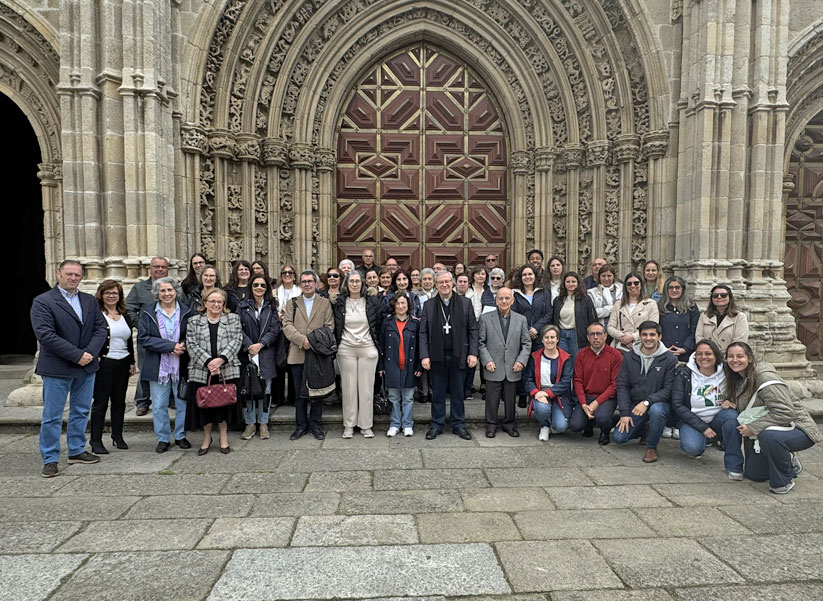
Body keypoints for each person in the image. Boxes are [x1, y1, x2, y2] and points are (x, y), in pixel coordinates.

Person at [31, 259, 107, 477]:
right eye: (69, 274)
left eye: (77, 275)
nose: (73, 278)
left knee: (81, 411)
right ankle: (50, 458)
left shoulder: (89, 300)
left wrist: (89, 353)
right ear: (59, 274)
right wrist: (77, 355)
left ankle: (76, 450)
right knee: (52, 416)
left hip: (86, 366)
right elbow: (45, 335)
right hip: (57, 367)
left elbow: (100, 328)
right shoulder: (43, 301)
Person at [725, 341, 821, 494]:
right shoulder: (738, 378)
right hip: (769, 428)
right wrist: (727, 402)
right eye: (730, 356)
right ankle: (785, 460)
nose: (734, 360)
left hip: (797, 428)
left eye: (739, 356)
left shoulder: (765, 378)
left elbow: (785, 412)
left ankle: (783, 480)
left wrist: (753, 427)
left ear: (750, 358)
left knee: (769, 437)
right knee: (755, 474)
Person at [420, 270, 479, 440]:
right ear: (436, 285)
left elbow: (473, 330)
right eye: (441, 282)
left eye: (447, 281)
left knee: (458, 393)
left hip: (459, 354)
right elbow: (423, 332)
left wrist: (473, 353)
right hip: (437, 356)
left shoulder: (465, 303)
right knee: (438, 394)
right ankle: (436, 425)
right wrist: (424, 355)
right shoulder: (429, 305)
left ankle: (458, 425)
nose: (444, 285)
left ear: (452, 283)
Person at [672, 339, 743, 478]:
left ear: (716, 355)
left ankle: (734, 465)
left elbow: (741, 391)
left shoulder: (728, 371)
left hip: (719, 418)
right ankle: (706, 438)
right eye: (699, 354)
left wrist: (730, 400)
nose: (703, 357)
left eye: (708, 353)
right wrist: (703, 428)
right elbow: (677, 404)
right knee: (692, 448)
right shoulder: (684, 373)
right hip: (693, 420)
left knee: (732, 417)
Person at [185, 288, 243, 455]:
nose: (216, 304)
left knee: (224, 404)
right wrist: (209, 362)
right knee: (205, 405)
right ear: (205, 303)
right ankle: (206, 438)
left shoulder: (233, 319)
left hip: (226, 369)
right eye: (212, 301)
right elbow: (191, 344)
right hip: (202, 370)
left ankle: (223, 437)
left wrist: (221, 359)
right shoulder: (194, 321)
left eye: (220, 302)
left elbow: (237, 340)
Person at [138, 277, 192, 453]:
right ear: (157, 293)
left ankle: (181, 435)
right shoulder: (148, 312)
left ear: (176, 291)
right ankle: (163, 438)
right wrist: (170, 346)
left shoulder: (186, 311)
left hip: (181, 364)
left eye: (170, 290)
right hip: (157, 366)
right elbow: (144, 338)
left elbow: (193, 334)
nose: (167, 294)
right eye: (163, 290)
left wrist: (182, 345)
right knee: (159, 404)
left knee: (182, 402)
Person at [613, 321, 677, 463]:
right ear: (640, 336)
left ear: (659, 337)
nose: (648, 338)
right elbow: (622, 385)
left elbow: (669, 389)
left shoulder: (669, 359)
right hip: (636, 404)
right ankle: (645, 428)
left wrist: (647, 402)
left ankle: (651, 447)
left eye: (652, 335)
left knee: (656, 411)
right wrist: (624, 413)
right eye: (645, 335)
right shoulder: (630, 356)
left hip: (659, 404)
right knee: (619, 438)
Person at [282, 270, 335, 440]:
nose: (307, 284)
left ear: (316, 284)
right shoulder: (292, 303)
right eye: (304, 281)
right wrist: (302, 340)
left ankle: (315, 425)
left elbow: (329, 326)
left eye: (310, 281)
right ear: (300, 284)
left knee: (317, 393)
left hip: (318, 354)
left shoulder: (325, 303)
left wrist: (313, 341)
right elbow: (287, 325)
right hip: (297, 353)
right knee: (299, 394)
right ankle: (300, 426)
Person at [333, 271, 383, 438]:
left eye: (357, 281)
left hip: (367, 348)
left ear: (362, 284)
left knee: (366, 389)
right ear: (346, 284)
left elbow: (379, 324)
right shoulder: (340, 302)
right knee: (349, 389)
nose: (354, 284)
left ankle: (366, 425)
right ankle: (349, 424)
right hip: (346, 348)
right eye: (351, 281)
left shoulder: (372, 301)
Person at [89, 280, 136, 454]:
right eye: (107, 293)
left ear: (120, 295)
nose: (111, 296)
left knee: (119, 402)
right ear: (101, 295)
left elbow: (128, 341)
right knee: (100, 403)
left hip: (122, 362)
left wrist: (132, 361)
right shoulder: (96, 315)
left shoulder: (125, 314)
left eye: (114, 293)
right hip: (104, 363)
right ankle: (95, 440)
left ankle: (117, 436)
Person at [479, 287, 531, 438]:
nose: (504, 301)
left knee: (510, 399)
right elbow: (481, 343)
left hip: (513, 366)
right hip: (493, 365)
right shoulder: (485, 318)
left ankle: (509, 424)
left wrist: (521, 361)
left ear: (512, 300)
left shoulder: (521, 319)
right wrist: (487, 360)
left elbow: (526, 343)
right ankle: (491, 425)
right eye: (500, 298)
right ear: (496, 301)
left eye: (507, 298)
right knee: (492, 398)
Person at [126, 256, 174, 416]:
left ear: (167, 269)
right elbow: (129, 309)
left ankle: (171, 398)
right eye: (156, 266)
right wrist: (142, 326)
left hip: (169, 337)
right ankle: (142, 401)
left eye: (163, 267)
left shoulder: (174, 287)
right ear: (150, 268)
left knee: (171, 367)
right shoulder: (139, 288)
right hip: (147, 338)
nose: (160, 269)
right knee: (146, 368)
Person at [238, 275, 281, 440]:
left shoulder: (272, 306)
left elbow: (275, 329)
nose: (259, 288)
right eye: (256, 285)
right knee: (247, 388)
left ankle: (263, 422)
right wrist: (250, 346)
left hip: (266, 352)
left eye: (262, 285)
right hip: (247, 353)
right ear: (251, 287)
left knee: (266, 389)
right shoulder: (242, 306)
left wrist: (261, 344)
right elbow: (237, 328)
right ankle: (250, 423)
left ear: (267, 288)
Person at [378, 292, 422, 437]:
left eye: (403, 303)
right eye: (398, 303)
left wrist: (419, 366)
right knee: (393, 397)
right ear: (394, 305)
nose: (401, 306)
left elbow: (420, 346)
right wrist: (381, 366)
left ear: (408, 305)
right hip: (392, 365)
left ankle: (408, 424)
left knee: (408, 397)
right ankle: (395, 423)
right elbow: (381, 345)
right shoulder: (387, 323)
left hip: (409, 366)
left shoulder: (415, 323)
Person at [572, 322, 623, 444]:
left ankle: (605, 432)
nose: (595, 337)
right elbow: (577, 381)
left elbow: (615, 384)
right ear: (587, 337)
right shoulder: (581, 354)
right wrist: (583, 403)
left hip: (606, 398)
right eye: (592, 334)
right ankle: (589, 423)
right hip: (587, 396)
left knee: (603, 417)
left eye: (599, 334)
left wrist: (596, 402)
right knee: (575, 425)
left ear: (605, 336)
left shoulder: (615, 355)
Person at [523, 325, 574, 441]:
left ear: (557, 339)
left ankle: (553, 419)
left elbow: (565, 381)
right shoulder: (535, 357)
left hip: (559, 395)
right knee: (542, 408)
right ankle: (544, 425)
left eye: (552, 337)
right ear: (542, 340)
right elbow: (527, 379)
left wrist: (548, 393)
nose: (549, 340)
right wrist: (536, 393)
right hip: (540, 393)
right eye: (546, 337)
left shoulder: (566, 358)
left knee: (561, 427)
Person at [608, 272, 659, 353]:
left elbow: (653, 326)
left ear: (641, 285)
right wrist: (622, 336)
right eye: (629, 284)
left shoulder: (651, 303)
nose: (632, 286)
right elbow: (610, 327)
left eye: (636, 283)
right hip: (620, 347)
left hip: (643, 346)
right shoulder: (618, 304)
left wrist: (633, 337)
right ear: (625, 286)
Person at [551, 271, 596, 356]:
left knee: (577, 359)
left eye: (573, 281)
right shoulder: (558, 300)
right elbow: (553, 319)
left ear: (578, 283)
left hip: (577, 334)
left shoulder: (585, 299)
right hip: (561, 335)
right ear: (564, 283)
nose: (570, 284)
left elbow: (592, 318)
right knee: (563, 359)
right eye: (568, 282)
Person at [695, 284, 749, 353]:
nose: (719, 297)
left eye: (723, 295)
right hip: (708, 356)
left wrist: (728, 355)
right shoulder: (704, 316)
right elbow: (699, 337)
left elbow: (740, 341)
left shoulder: (739, 317)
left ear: (730, 297)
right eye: (715, 295)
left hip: (729, 356)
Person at [658, 276, 699, 361]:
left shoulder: (691, 307)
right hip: (664, 352)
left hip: (687, 354)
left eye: (677, 287)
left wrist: (685, 348)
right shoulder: (659, 307)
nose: (674, 290)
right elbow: (656, 330)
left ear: (683, 289)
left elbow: (695, 330)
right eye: (670, 288)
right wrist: (663, 348)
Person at [588, 263, 622, 331]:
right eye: (603, 276)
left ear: (614, 276)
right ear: (599, 277)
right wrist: (612, 308)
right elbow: (592, 313)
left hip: (620, 329)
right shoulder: (591, 292)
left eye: (609, 276)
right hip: (600, 330)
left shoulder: (622, 290)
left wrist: (603, 310)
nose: (606, 278)